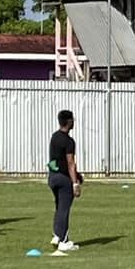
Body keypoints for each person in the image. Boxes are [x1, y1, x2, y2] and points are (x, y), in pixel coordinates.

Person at [48, 108, 82, 253]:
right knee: (64, 209)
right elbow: (70, 163)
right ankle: (64, 240)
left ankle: (57, 235)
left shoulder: (54, 136)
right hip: (63, 179)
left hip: (53, 176)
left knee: (58, 207)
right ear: (68, 122)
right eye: (72, 120)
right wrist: (75, 182)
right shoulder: (68, 141)